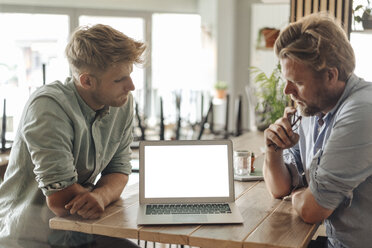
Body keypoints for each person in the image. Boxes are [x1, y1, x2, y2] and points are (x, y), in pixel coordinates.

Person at [0, 24, 145, 247]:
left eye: (130, 76)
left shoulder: (121, 103)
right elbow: (61, 200)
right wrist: (102, 194)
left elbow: (119, 170)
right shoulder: (48, 107)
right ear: (86, 81)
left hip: (81, 230)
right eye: (119, 80)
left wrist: (100, 197)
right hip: (29, 237)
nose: (131, 86)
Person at [263, 13, 372, 248]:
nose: (287, 91)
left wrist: (300, 194)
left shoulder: (363, 111)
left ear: (331, 75)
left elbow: (313, 210)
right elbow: (279, 188)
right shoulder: (312, 107)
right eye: (287, 81)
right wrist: (273, 150)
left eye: (298, 82)